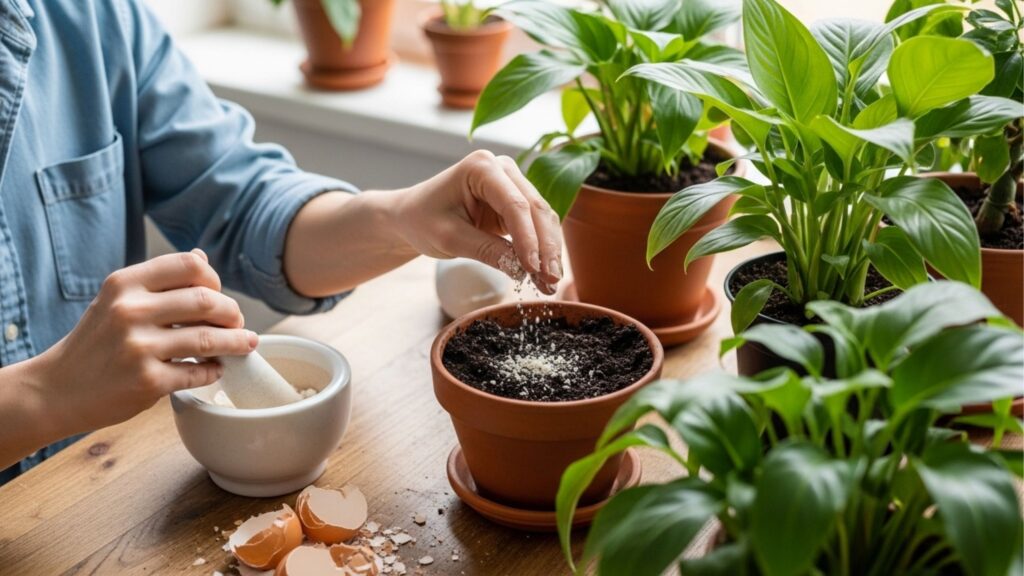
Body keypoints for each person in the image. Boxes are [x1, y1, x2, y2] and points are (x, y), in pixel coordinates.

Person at [0, 0, 562, 482]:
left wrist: (401, 217)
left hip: (86, 486)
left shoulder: (93, 16)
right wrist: (45, 396)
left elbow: (240, 202)